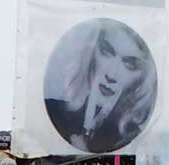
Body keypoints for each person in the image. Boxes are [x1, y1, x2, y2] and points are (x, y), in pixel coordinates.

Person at [44, 18, 157, 154]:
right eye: (106, 51)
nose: (111, 74)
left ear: (142, 80)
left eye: (130, 64)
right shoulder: (53, 112)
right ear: (92, 52)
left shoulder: (142, 142)